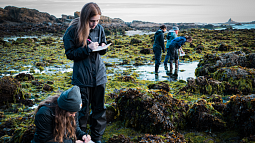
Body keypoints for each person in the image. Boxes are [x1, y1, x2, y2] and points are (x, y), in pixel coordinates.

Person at [63, 2, 107, 143]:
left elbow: (103, 49)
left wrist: (103, 47)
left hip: (99, 77)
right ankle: (82, 138)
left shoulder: (99, 29)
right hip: (82, 78)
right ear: (84, 18)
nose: (95, 24)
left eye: (97, 21)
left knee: (99, 110)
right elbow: (70, 54)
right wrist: (87, 49)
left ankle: (96, 139)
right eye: (92, 21)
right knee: (82, 112)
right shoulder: (72, 31)